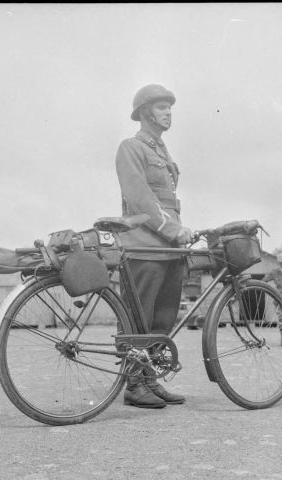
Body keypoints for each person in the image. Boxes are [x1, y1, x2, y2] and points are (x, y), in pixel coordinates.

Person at [115, 84, 192, 409]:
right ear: (146, 113)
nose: (168, 112)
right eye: (161, 107)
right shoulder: (131, 148)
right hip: (144, 247)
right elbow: (141, 198)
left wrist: (177, 234)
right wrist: (173, 229)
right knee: (140, 318)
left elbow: (167, 200)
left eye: (169, 107)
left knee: (162, 319)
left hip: (169, 249)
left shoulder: (161, 151)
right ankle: (134, 384)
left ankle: (150, 379)